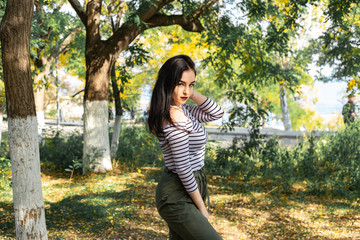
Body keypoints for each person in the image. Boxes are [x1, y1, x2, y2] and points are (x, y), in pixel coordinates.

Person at [147, 55, 224, 240]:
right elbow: (183, 168)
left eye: (191, 84)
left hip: (194, 185)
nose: (186, 91)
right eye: (180, 84)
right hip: (176, 193)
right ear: (167, 83)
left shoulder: (186, 110)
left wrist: (190, 91)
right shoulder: (169, 120)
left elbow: (217, 112)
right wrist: (202, 208)